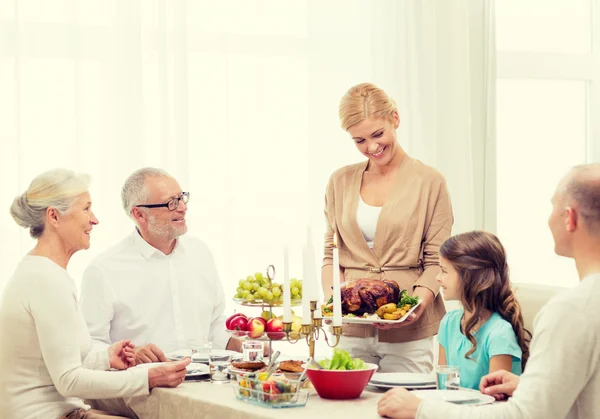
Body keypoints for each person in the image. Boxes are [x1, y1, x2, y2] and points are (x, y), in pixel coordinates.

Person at [377, 163, 600, 419]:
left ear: (569, 218)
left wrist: (420, 409)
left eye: (552, 207)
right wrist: (527, 387)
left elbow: (523, 416)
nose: (548, 218)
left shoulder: (572, 311)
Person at [0, 169, 189, 419]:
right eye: (86, 209)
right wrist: (147, 377)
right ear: (54, 216)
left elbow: (53, 362)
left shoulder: (42, 271)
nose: (95, 220)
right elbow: (68, 380)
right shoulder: (46, 280)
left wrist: (105, 359)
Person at [321, 82, 453, 373]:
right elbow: (331, 256)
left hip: (408, 331)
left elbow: (436, 261)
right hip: (352, 327)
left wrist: (414, 307)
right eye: (359, 140)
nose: (371, 147)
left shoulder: (430, 182)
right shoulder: (339, 182)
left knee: (402, 408)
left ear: (395, 118)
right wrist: (335, 304)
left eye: (377, 134)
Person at [80, 168, 240, 364]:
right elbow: (89, 345)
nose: (182, 208)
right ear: (139, 214)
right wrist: (130, 353)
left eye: (182, 198)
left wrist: (245, 343)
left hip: (203, 384)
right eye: (171, 203)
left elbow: (214, 324)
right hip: (142, 389)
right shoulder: (103, 270)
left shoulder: (200, 253)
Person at [436, 231, 530, 390]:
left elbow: (496, 400)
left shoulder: (499, 333)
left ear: (470, 276)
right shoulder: (449, 322)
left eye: (444, 271)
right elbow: (443, 389)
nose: (438, 277)